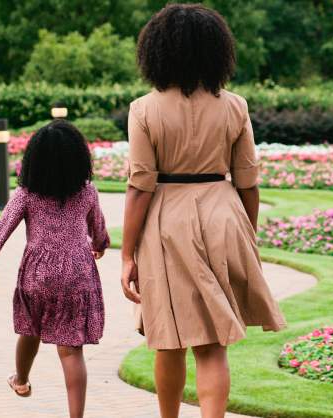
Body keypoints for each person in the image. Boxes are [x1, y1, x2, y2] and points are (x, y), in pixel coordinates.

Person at [120, 4, 288, 418]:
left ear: (157, 51)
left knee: (169, 336)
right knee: (212, 344)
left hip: (166, 222)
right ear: (217, 51)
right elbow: (247, 181)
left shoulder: (145, 109)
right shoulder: (234, 106)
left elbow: (140, 186)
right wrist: (246, 234)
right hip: (223, 213)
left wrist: (126, 255)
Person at [0, 120, 109, 418]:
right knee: (71, 350)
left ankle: (21, 380)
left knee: (31, 329)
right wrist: (101, 244)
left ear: (34, 161)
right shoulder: (87, 192)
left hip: (38, 275)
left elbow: (0, 229)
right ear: (79, 158)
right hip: (77, 272)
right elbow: (99, 228)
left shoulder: (27, 194)